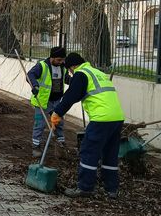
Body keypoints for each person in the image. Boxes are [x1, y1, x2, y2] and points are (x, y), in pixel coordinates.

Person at [50, 53, 125, 198]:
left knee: (88, 151)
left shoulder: (81, 74)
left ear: (71, 67)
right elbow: (80, 95)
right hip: (117, 118)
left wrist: (57, 113)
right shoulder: (97, 72)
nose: (70, 74)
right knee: (110, 153)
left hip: (101, 119)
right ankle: (111, 189)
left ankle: (85, 188)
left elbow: (71, 96)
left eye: (69, 71)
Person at [27, 46, 69, 157]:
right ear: (52, 57)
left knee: (59, 123)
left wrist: (75, 82)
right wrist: (35, 86)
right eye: (59, 60)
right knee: (39, 124)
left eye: (62, 60)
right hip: (43, 102)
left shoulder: (62, 67)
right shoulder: (42, 66)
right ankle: (36, 146)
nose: (61, 62)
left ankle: (61, 144)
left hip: (57, 101)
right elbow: (29, 75)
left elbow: (66, 79)